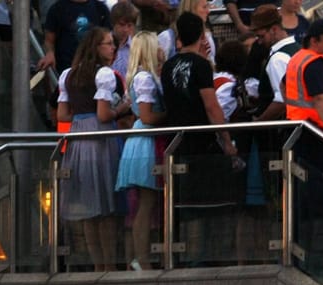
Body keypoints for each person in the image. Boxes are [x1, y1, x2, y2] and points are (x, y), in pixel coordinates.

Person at [162, 13, 240, 263]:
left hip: (176, 142)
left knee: (186, 208)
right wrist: (227, 141)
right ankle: (207, 260)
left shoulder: (168, 66)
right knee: (210, 207)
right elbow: (211, 106)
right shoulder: (201, 66)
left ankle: (187, 259)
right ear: (201, 35)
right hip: (202, 143)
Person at [59, 27, 129, 271]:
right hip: (100, 137)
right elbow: (103, 113)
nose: (113, 48)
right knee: (106, 207)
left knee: (90, 208)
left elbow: (62, 113)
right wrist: (121, 108)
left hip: (79, 135)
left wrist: (81, 113)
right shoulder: (104, 74)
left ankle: (98, 265)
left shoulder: (69, 75)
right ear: (96, 47)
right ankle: (109, 265)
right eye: (108, 44)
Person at [284, 18, 323, 276]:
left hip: (302, 133)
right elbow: (320, 99)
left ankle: (307, 255)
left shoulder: (299, 59)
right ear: (314, 40)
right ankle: (319, 257)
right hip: (315, 135)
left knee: (306, 198)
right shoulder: (314, 63)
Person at [116, 32, 166, 271]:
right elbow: (146, 116)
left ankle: (141, 257)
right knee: (146, 203)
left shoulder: (142, 76)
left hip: (142, 137)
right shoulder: (145, 78)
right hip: (146, 138)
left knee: (147, 202)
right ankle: (142, 258)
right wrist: (170, 116)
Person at [38, 0, 112, 74]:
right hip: (66, 71)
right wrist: (50, 53)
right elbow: (49, 40)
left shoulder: (100, 8)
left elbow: (108, 39)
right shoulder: (56, 9)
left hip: (96, 70)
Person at [110, 1, 139, 79]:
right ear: (113, 23)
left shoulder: (136, 47)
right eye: (121, 25)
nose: (125, 29)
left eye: (129, 25)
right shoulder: (104, 44)